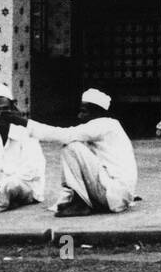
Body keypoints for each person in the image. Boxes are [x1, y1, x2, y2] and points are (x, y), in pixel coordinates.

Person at [7, 88, 136, 217]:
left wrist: (23, 122)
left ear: (97, 112)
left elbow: (62, 134)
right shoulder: (109, 126)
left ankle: (81, 203)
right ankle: (79, 200)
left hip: (114, 194)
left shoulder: (103, 124)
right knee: (75, 145)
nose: (79, 116)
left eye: (84, 111)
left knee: (71, 147)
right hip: (116, 195)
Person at [0, 85, 44, 212]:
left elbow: (30, 172)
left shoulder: (25, 132)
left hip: (25, 185)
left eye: (5, 109)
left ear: (12, 110)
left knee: (9, 186)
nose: (1, 113)